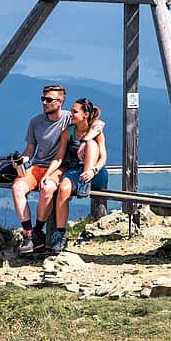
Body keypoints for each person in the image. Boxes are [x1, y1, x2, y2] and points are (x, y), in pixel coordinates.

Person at [12, 84, 70, 254]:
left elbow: (95, 122)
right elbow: (30, 150)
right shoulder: (35, 122)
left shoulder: (69, 119)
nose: (44, 103)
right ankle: (28, 234)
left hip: (59, 167)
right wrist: (21, 160)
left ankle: (38, 231)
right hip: (37, 166)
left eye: (49, 100)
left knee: (47, 189)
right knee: (17, 187)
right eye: (43, 99)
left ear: (61, 101)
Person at [54, 98, 109, 248]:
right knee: (63, 188)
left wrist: (93, 170)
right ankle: (60, 233)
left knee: (91, 144)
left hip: (96, 173)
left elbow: (103, 157)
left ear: (85, 114)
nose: (71, 114)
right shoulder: (68, 132)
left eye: (74, 111)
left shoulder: (96, 131)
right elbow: (59, 157)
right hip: (75, 171)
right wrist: (48, 175)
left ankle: (85, 183)